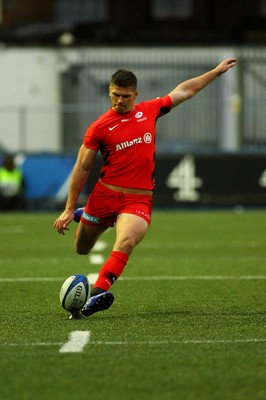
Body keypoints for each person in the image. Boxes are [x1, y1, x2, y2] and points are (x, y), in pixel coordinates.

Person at [53, 58, 237, 317]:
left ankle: (97, 294)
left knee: (126, 241)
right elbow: (82, 167)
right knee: (81, 248)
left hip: (137, 200)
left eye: (125, 96)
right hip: (105, 195)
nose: (120, 100)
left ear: (135, 94)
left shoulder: (149, 110)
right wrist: (68, 209)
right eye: (116, 95)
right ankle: (85, 213)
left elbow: (185, 91)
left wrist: (216, 72)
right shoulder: (98, 128)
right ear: (109, 91)